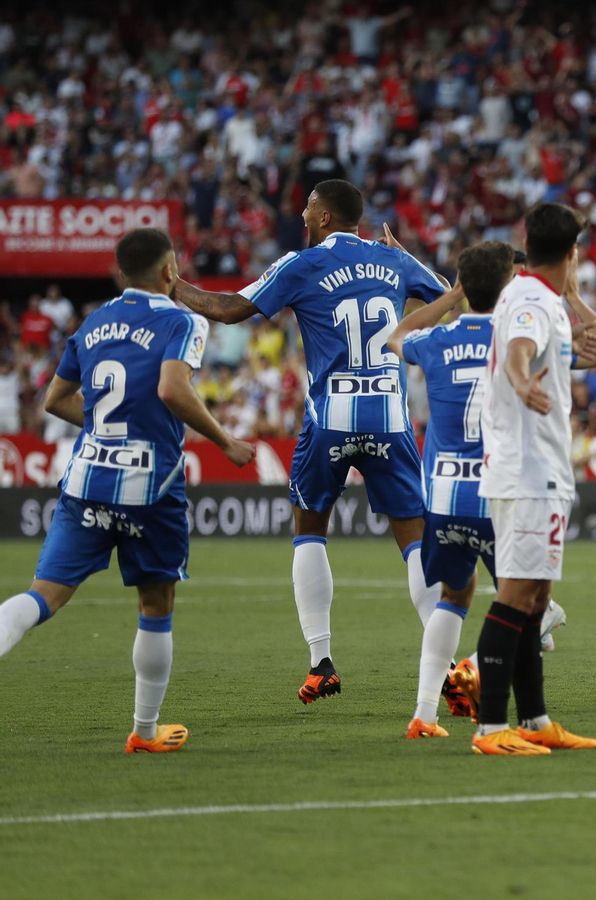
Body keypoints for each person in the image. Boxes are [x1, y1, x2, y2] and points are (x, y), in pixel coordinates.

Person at [168, 179, 449, 704]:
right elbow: (456, 298)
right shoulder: (393, 261)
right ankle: (448, 663)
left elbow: (230, 309)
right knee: (414, 538)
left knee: (310, 528)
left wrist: (176, 287)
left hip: (331, 419)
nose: (301, 210)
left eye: (308, 205)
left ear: (323, 218)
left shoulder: (303, 263)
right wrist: (410, 260)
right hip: (390, 415)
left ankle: (320, 661)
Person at [0, 228, 255, 751]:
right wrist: (224, 440)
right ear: (169, 273)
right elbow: (170, 387)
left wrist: (100, 428)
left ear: (120, 274)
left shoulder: (93, 322)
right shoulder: (183, 319)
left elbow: (54, 399)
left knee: (43, 596)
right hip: (150, 486)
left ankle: (144, 730)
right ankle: (143, 732)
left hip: (88, 478)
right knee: (156, 602)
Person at [467, 203, 596, 756]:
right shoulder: (533, 300)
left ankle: (534, 720)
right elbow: (518, 351)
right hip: (529, 471)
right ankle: (490, 728)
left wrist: (574, 295)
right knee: (516, 595)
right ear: (574, 250)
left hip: (537, 469)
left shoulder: (534, 295)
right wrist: (522, 380)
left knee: (533, 598)